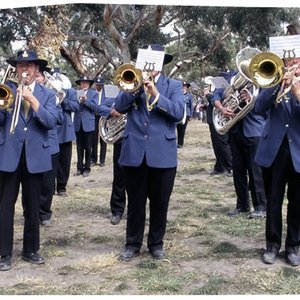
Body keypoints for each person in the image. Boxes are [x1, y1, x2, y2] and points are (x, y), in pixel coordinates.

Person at [115, 44, 185, 261]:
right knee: (135, 202)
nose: (150, 66)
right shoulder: (131, 82)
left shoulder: (173, 85)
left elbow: (178, 113)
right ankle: (132, 244)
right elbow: (119, 106)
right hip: (134, 152)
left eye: (155, 61)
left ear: (161, 64)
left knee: (160, 202)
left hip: (162, 153)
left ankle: (156, 243)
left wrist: (155, 93)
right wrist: (136, 87)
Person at [0, 50, 58, 271]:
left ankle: (30, 250)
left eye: (29, 66)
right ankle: (3, 253)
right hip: (9, 156)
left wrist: (33, 100)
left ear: (37, 70)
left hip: (35, 156)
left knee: (33, 206)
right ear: (16, 69)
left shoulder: (47, 95)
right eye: (20, 66)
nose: (24, 70)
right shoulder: (8, 91)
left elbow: (51, 122)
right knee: (5, 206)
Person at [254, 36, 300, 266]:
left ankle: (293, 247)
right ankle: (272, 245)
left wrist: (296, 91)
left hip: (298, 150)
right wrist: (278, 85)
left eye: (294, 58)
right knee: (273, 201)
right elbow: (259, 108)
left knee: (297, 202)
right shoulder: (271, 79)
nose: (290, 62)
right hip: (274, 150)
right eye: (286, 57)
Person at [212, 69, 267, 219]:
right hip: (236, 130)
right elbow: (215, 95)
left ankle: (261, 206)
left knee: (256, 171)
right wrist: (222, 106)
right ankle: (242, 205)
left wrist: (252, 99)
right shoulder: (232, 78)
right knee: (238, 170)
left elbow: (266, 104)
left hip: (255, 129)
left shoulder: (263, 78)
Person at [35, 68, 64, 226]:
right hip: (32, 143)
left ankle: (45, 212)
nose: (38, 79)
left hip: (50, 143)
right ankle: (32, 211)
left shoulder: (51, 95)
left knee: (47, 182)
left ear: (44, 79)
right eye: (36, 76)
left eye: (39, 76)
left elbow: (59, 119)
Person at [98, 96, 126, 225]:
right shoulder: (118, 95)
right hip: (121, 141)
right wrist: (111, 112)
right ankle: (117, 211)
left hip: (140, 139)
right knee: (119, 177)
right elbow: (100, 107)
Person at [54, 69, 79, 196]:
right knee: (51, 160)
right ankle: (50, 186)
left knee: (64, 161)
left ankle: (62, 187)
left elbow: (76, 107)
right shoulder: (48, 90)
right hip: (52, 129)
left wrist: (63, 100)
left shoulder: (71, 91)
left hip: (65, 130)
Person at [204, 82, 232, 176]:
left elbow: (214, 98)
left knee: (223, 144)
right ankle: (220, 167)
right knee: (217, 145)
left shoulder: (224, 87)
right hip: (213, 121)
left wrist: (208, 94)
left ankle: (230, 167)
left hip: (221, 121)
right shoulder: (217, 90)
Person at [73, 75, 98, 177]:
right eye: (82, 83)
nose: (84, 84)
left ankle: (87, 168)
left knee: (88, 147)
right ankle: (79, 168)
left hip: (88, 124)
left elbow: (95, 107)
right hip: (78, 123)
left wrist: (86, 100)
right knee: (79, 148)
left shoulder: (94, 94)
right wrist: (79, 100)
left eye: (86, 82)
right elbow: (73, 106)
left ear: (89, 84)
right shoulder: (76, 93)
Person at [91, 76, 107, 167]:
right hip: (94, 117)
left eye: (100, 85)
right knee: (94, 139)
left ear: (103, 85)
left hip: (104, 117)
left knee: (103, 139)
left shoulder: (107, 94)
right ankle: (94, 159)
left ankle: (102, 160)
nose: (98, 87)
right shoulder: (93, 93)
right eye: (97, 85)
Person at [176, 81, 193, 148]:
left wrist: (191, 115)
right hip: (178, 113)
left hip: (186, 114)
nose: (184, 87)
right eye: (183, 86)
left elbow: (191, 106)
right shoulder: (177, 95)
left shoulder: (189, 96)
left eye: (185, 86)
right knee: (176, 128)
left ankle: (180, 143)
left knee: (182, 129)